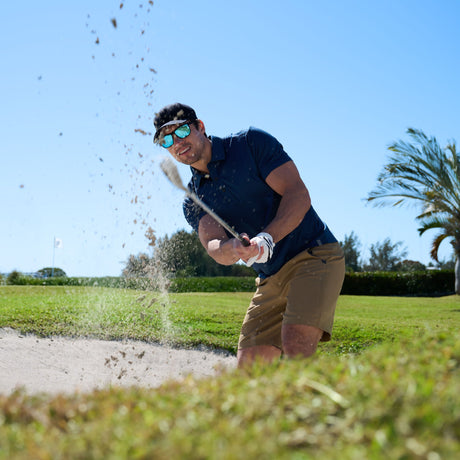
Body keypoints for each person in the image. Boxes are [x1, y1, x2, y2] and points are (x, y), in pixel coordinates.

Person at [154, 102, 345, 367]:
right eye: (167, 140)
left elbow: (298, 195)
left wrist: (267, 237)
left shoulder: (250, 144)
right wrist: (232, 248)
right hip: (270, 277)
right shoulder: (193, 199)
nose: (177, 142)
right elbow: (213, 244)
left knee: (296, 345)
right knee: (249, 368)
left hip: (314, 255)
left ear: (200, 127)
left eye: (182, 131)